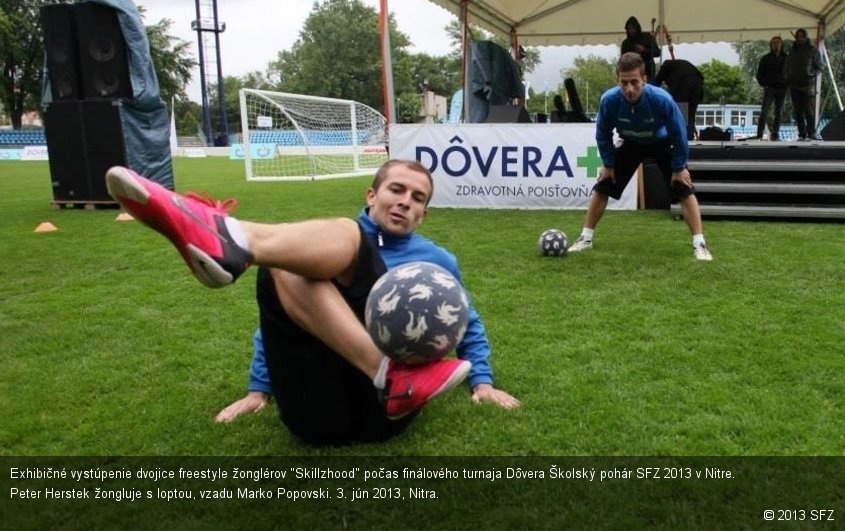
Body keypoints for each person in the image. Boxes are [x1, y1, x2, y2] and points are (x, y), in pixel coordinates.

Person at [105, 160, 520, 445]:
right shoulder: (321, 244)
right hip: (316, 412)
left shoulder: (437, 261)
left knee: (312, 243)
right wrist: (258, 390)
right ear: (371, 194)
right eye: (396, 190)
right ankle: (231, 239)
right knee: (292, 254)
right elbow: (275, 325)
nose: (405, 201)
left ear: (424, 215)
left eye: (417, 198)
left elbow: (467, 321)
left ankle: (224, 234)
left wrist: (482, 381)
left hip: (388, 413)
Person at [567, 52, 713, 261]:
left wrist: (679, 168)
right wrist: (608, 165)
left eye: (634, 82)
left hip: (660, 143)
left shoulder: (662, 99)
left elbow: (679, 133)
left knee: (684, 188)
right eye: (624, 83)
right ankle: (585, 239)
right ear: (617, 81)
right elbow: (603, 134)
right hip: (631, 143)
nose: (629, 88)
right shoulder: (609, 101)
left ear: (644, 80)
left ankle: (700, 244)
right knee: (603, 185)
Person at [785, 28, 822, 141]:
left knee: (809, 111)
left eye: (802, 36)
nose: (800, 38)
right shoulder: (792, 51)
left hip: (808, 85)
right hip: (794, 86)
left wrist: (811, 74)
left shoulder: (813, 50)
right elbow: (787, 67)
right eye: (798, 36)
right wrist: (787, 76)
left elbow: (820, 66)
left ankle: (812, 133)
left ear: (806, 37)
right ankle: (802, 134)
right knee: (798, 112)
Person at [654, 59, 704, 141]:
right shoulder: (680, 65)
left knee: (681, 115)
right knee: (690, 116)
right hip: (697, 83)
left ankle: (682, 139)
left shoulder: (666, 66)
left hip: (683, 85)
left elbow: (657, 83)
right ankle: (689, 138)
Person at [755, 36, 788, 141]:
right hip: (770, 88)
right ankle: (759, 134)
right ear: (771, 45)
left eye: (778, 42)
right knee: (764, 111)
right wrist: (764, 84)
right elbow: (759, 74)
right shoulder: (765, 58)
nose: (776, 44)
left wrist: (787, 84)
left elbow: (790, 72)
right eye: (774, 43)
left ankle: (775, 134)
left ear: (781, 44)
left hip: (782, 88)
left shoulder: (787, 58)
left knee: (779, 112)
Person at [621, 16, 661, 84]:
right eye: (629, 29)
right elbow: (623, 59)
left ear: (637, 28)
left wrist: (644, 50)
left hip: (648, 73)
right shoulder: (625, 43)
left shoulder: (647, 37)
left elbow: (657, 53)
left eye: (633, 28)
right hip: (631, 73)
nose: (631, 31)